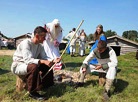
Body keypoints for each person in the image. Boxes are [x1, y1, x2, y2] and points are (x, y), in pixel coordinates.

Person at [11, 26, 61, 100]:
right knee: (33, 67)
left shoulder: (40, 46)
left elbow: (44, 58)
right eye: (43, 36)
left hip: (29, 64)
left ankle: (47, 84)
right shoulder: (26, 43)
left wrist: (53, 60)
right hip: (18, 65)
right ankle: (32, 92)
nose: (44, 38)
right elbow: (27, 60)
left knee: (46, 65)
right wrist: (43, 61)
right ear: (37, 36)